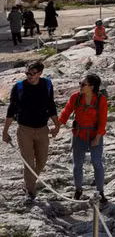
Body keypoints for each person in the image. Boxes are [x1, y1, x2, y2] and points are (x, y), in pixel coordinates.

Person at [3, 61, 59, 201]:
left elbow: (50, 105)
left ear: (40, 73)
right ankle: (30, 192)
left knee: (41, 161)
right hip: (24, 130)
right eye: (27, 73)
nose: (29, 76)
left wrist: (57, 125)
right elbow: (11, 109)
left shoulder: (47, 85)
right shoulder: (19, 87)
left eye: (32, 74)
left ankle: (29, 184)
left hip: (42, 129)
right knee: (29, 162)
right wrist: (5, 131)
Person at [58, 74, 109, 203]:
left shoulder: (101, 100)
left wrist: (97, 138)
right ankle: (78, 190)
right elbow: (66, 113)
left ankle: (100, 192)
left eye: (82, 84)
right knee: (77, 164)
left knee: (97, 163)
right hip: (79, 134)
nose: (79, 86)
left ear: (91, 87)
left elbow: (103, 121)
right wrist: (56, 127)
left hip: (94, 134)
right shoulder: (75, 97)